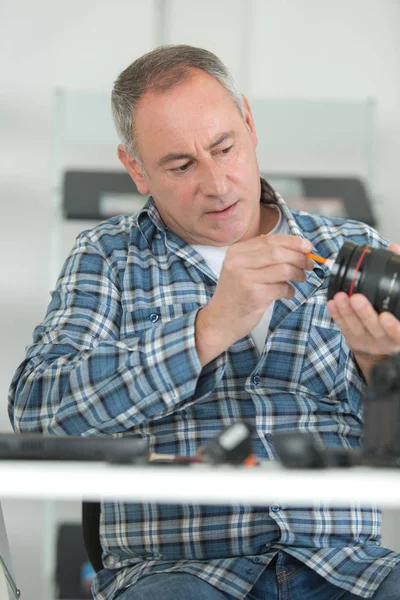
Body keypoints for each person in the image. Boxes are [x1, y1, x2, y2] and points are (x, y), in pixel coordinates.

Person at [8, 45, 400, 600]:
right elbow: (38, 415)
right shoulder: (110, 257)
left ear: (249, 123)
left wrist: (381, 367)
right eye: (181, 164)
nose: (217, 184)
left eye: (224, 147)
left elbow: (391, 448)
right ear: (136, 168)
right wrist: (209, 328)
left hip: (349, 567)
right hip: (179, 572)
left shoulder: (351, 248)